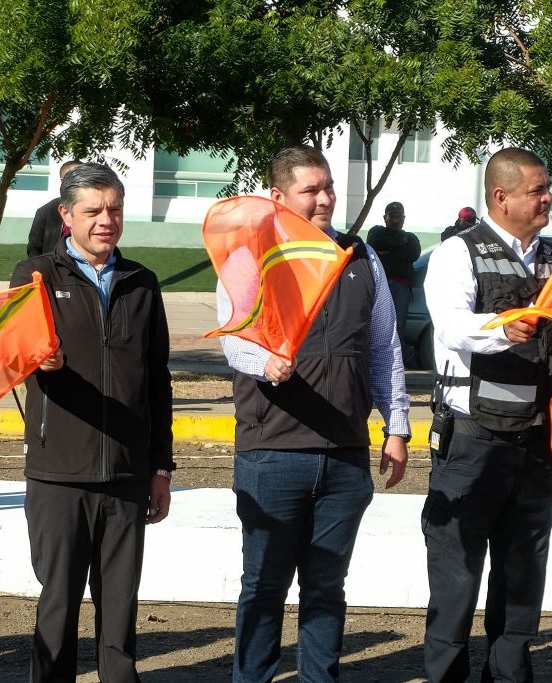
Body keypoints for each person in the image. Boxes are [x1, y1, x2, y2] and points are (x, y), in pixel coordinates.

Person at [219, 145, 410, 683]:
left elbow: (384, 346)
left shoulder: (361, 257)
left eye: (328, 187)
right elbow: (233, 338)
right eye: (311, 190)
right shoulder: (249, 257)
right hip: (272, 453)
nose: (325, 198)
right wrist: (265, 363)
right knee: (264, 585)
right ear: (277, 197)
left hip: (345, 455)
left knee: (327, 586)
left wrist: (396, 425)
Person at [422, 147, 552, 683]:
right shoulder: (458, 252)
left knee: (522, 576)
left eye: (547, 188)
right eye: (538, 190)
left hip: (535, 444)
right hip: (473, 441)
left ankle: (510, 675)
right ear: (501, 197)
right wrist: (502, 327)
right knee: (456, 578)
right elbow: (450, 325)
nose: (548, 198)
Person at [10, 163, 174, 682]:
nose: (107, 220)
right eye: (94, 210)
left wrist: (160, 468)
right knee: (58, 605)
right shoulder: (35, 276)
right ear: (66, 215)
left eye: (115, 209)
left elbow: (158, 381)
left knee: (120, 612)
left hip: (127, 473)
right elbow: (9, 355)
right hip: (59, 472)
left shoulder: (142, 283)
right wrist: (38, 360)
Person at [366, 201, 421, 340]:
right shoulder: (376, 232)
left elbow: (413, 254)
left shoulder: (411, 237)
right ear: (385, 218)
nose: (396, 220)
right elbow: (373, 243)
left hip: (402, 288)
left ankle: (398, 353)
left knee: (398, 326)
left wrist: (387, 252)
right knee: (376, 324)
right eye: (392, 216)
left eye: (399, 216)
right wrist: (400, 247)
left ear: (404, 218)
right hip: (379, 286)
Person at [25, 160, 81, 257]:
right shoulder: (45, 212)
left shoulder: (97, 210)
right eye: (71, 179)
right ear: (62, 181)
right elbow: (34, 248)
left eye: (82, 178)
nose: (77, 183)